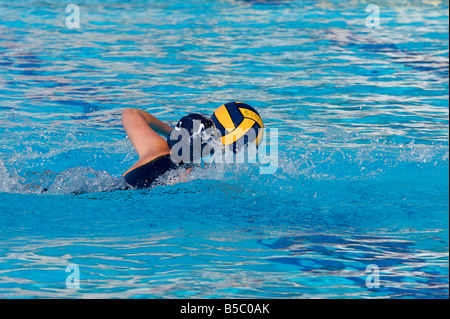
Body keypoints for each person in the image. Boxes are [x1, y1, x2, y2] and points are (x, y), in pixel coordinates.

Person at [121, 108, 215, 189]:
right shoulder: (189, 172)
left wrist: (174, 133)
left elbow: (130, 113)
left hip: (114, 189)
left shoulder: (156, 147)